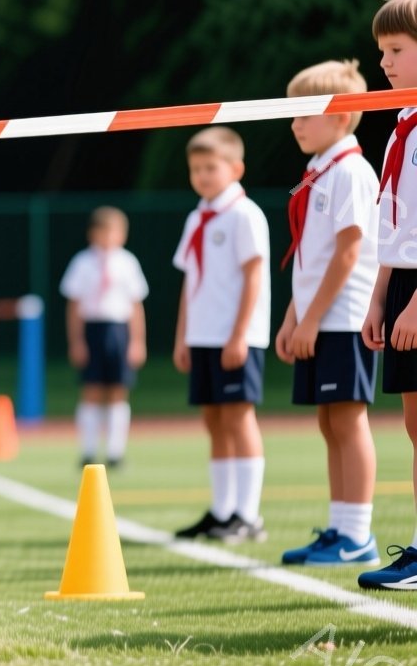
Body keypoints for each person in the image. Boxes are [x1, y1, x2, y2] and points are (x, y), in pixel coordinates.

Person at [272, 60, 381, 567]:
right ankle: (339, 527)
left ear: (341, 118)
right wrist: (294, 316)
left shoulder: (352, 172)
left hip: (344, 320)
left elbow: (347, 255)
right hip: (319, 318)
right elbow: (310, 260)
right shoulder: (320, 172)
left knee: (348, 420)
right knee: (328, 422)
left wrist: (313, 319)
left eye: (305, 112)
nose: (295, 123)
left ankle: (358, 533)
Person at [170, 127, 271, 544]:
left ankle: (248, 515)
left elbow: (253, 276)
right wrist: (183, 337)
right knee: (213, 419)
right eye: (196, 168)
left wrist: (238, 335)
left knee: (237, 415)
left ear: (235, 168)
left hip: (236, 336)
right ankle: (222, 510)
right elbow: (190, 281)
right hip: (202, 335)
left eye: (211, 167)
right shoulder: (198, 215)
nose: (203, 176)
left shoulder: (244, 214)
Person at [359, 0, 417, 590]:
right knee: (413, 424)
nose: (384, 63)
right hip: (401, 280)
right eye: (382, 51)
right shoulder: (402, 123)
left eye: (396, 49)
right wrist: (381, 296)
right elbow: (393, 219)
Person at [59, 207, 147, 470]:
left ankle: (115, 453)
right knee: (92, 390)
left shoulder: (128, 263)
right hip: (92, 329)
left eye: (114, 232)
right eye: (103, 231)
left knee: (118, 391)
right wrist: (76, 341)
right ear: (92, 234)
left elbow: (135, 306)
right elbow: (73, 306)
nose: (108, 237)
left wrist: (137, 340)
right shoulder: (82, 263)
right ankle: (87, 452)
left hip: (119, 330)